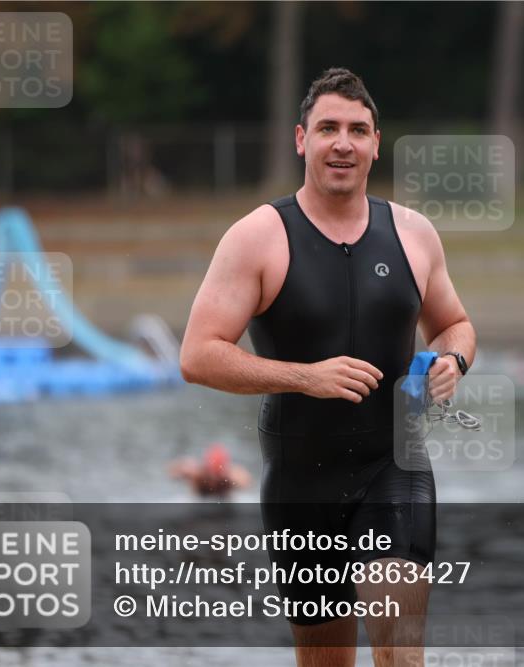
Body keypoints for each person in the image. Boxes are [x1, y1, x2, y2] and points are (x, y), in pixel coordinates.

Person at [180, 68, 476, 666]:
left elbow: (456, 324)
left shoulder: (415, 234)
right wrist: (303, 376)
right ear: (301, 139)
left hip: (395, 466)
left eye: (357, 130)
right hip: (300, 480)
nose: (343, 142)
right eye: (328, 128)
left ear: (375, 142)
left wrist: (453, 360)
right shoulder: (258, 237)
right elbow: (198, 354)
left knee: (399, 648)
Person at [168, 443, 252, 498]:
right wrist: (183, 472)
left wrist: (231, 479)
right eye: (213, 471)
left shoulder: (231, 476)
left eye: (218, 471)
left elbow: (247, 482)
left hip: (224, 503)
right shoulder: (198, 474)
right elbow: (171, 471)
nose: (215, 477)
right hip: (199, 501)